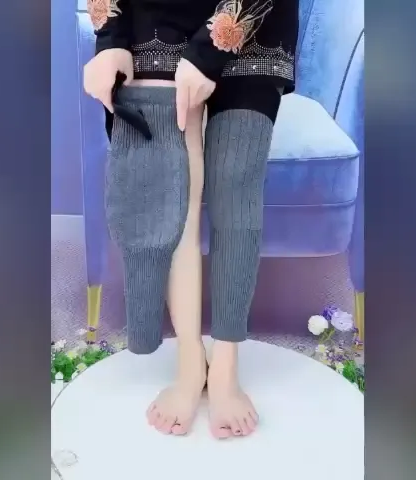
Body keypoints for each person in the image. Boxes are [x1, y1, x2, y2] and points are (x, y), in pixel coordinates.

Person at [84, 0, 299, 438]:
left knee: (235, 180)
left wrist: (208, 50)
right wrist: (110, 40)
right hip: (154, 18)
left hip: (253, 17)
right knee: (169, 185)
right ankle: (189, 361)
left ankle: (225, 367)